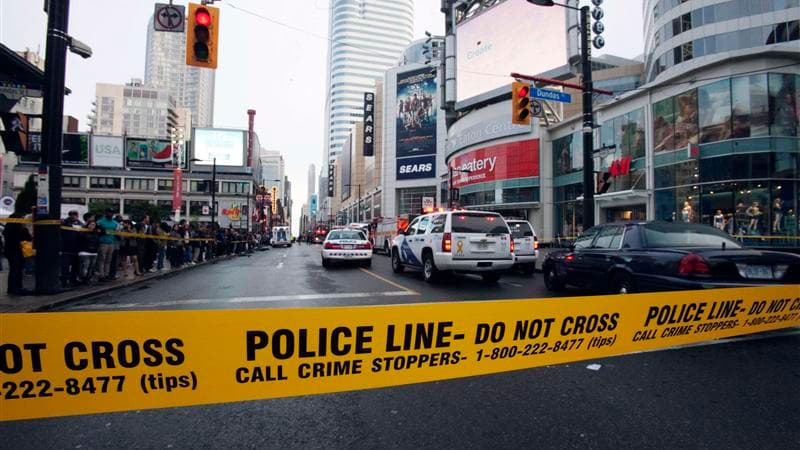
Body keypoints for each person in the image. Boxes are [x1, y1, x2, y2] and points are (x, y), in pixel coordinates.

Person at [3, 212, 33, 295]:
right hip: (14, 251)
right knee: (16, 269)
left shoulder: (8, 227)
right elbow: (28, 238)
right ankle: (16, 288)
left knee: (15, 269)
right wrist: (24, 228)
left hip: (11, 250)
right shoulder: (18, 228)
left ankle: (14, 288)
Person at [60, 210, 83, 287]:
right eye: (71, 214)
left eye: (75, 214)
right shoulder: (65, 223)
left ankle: (73, 280)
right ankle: (64, 281)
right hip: (66, 248)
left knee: (75, 266)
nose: (73, 216)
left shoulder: (80, 223)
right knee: (65, 266)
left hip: (76, 248)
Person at [95, 209, 119, 281]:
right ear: (106, 213)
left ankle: (106, 274)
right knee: (101, 259)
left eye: (112, 213)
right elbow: (97, 230)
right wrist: (108, 232)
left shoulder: (115, 223)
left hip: (111, 243)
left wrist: (106, 231)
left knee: (108, 260)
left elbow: (116, 232)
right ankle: (101, 275)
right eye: (109, 212)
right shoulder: (100, 221)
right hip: (103, 243)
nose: (110, 214)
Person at [77, 220, 101, 284]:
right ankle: (82, 278)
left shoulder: (96, 233)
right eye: (91, 224)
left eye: (94, 225)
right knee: (85, 266)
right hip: (84, 251)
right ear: (87, 225)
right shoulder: (83, 232)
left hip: (94, 252)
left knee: (91, 266)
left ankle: (87, 279)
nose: (92, 226)